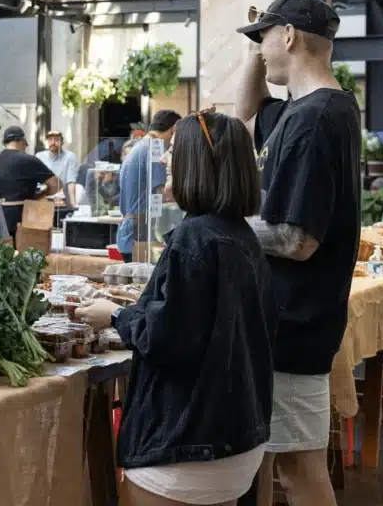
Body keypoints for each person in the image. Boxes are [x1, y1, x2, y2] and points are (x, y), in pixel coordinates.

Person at [83, 110, 276, 506]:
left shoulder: (195, 237)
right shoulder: (242, 236)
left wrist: (117, 315)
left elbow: (169, 338)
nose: (165, 160)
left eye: (173, 151)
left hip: (186, 444)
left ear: (197, 163)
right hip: (236, 438)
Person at [235, 0, 361, 506]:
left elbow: (298, 239)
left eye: (264, 38)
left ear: (288, 36)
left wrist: (222, 228)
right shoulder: (306, 110)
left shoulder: (315, 120)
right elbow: (246, 112)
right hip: (285, 319)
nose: (261, 52)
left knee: (298, 468)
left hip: (297, 322)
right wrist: (250, 47)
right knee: (264, 458)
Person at [117, 111, 181, 262]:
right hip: (140, 235)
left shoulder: (139, 146)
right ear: (174, 129)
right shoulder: (155, 147)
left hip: (130, 234)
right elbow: (164, 193)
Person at [0, 125, 60, 236]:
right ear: (22, 141)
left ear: (5, 142)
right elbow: (56, 184)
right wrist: (38, 196)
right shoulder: (29, 160)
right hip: (22, 218)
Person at [36, 130, 79, 204]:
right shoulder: (39, 156)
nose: (53, 142)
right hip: (43, 198)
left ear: (62, 142)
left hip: (62, 198)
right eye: (50, 139)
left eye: (56, 139)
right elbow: (36, 181)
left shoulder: (70, 157)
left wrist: (73, 204)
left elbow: (71, 182)